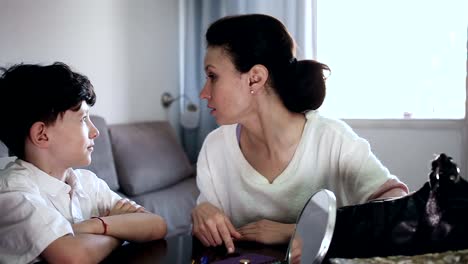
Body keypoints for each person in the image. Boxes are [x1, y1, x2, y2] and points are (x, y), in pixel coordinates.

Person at [191, 14, 409, 254]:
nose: (203, 92)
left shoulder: (332, 139)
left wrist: (296, 230)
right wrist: (202, 214)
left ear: (256, 78)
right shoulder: (214, 148)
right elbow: (210, 233)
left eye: (212, 76)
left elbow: (396, 205)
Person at [0, 62, 167, 264]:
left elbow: (157, 225)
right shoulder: (13, 194)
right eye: (83, 119)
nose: (95, 131)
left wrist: (93, 226)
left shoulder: (87, 182)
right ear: (42, 135)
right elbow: (74, 257)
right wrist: (122, 230)